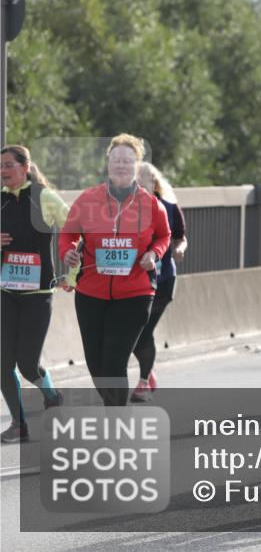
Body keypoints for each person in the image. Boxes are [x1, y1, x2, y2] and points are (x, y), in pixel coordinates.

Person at [58, 134, 171, 407]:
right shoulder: (88, 199)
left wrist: (153, 254)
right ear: (108, 163)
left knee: (113, 361)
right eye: (116, 159)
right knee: (96, 365)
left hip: (135, 292)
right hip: (90, 292)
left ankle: (116, 423)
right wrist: (68, 252)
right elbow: (67, 235)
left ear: (136, 165)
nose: (121, 165)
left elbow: (164, 236)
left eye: (128, 160)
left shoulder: (151, 204)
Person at [1, 145, 68, 442]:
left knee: (28, 364)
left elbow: (75, 231)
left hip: (38, 293)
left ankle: (52, 395)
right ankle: (20, 425)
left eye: (8, 165)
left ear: (25, 167)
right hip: (6, 291)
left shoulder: (44, 197)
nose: (3, 171)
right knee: (2, 364)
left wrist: (73, 269)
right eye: (0, 167)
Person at [129, 163, 188, 402]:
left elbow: (181, 238)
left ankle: (143, 382)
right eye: (136, 182)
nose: (140, 186)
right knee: (132, 332)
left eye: (144, 182)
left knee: (144, 330)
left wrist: (180, 250)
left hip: (163, 280)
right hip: (134, 281)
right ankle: (148, 372)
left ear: (154, 184)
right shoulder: (126, 210)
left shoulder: (170, 208)